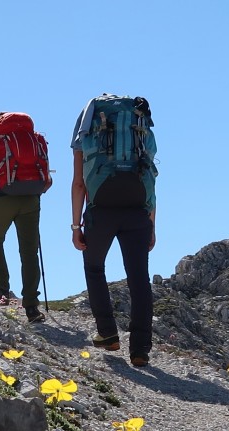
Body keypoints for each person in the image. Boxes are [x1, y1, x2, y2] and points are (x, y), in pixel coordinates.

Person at [70, 95, 157, 367]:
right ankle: (140, 349)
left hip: (101, 210)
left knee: (94, 267)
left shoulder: (86, 130)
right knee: (139, 278)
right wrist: (152, 224)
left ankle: (108, 334)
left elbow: (79, 183)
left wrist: (76, 226)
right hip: (138, 210)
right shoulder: (142, 130)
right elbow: (151, 178)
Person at [0, 112, 54, 321]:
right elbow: (48, 179)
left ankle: (1, 291)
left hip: (2, 199)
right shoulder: (35, 141)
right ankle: (32, 307)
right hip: (31, 200)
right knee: (29, 252)